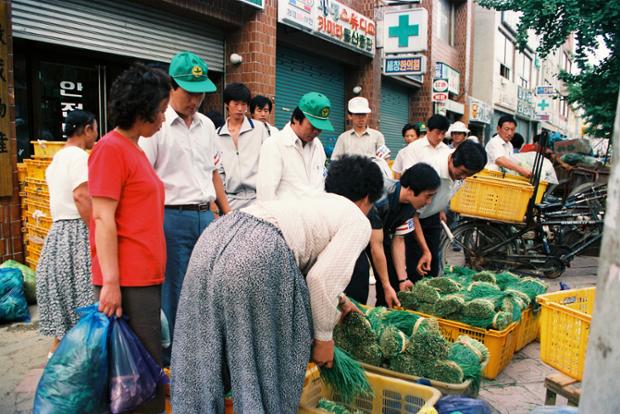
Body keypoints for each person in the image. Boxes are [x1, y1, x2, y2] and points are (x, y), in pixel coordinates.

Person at [171, 155, 384, 414]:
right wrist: (324, 340)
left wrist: (340, 302)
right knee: (264, 370)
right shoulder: (358, 219)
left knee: (204, 355)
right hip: (260, 251)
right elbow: (320, 281)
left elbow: (311, 263)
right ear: (367, 199)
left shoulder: (311, 198)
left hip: (216, 238)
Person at [138, 51, 231, 365]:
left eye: (201, 93)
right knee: (175, 287)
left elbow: (213, 172)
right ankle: (174, 357)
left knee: (207, 285)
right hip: (170, 219)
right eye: (190, 93)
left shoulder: (206, 125)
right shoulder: (157, 126)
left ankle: (202, 348)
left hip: (205, 215)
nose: (195, 100)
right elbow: (144, 178)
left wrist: (227, 214)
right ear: (171, 88)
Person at [89, 64, 170, 412]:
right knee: (137, 377)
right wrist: (110, 284)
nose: (164, 120)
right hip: (128, 282)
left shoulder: (134, 149)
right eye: (161, 111)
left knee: (141, 371)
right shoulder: (110, 149)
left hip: (144, 278)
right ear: (142, 111)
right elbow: (102, 218)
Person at [36, 110, 97, 358]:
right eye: (94, 128)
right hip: (76, 233)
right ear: (85, 129)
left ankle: (56, 366)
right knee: (83, 308)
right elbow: (81, 195)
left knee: (65, 316)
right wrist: (96, 229)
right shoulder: (78, 157)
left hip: (58, 234)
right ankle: (71, 371)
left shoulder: (57, 158)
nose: (96, 134)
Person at [405, 140, 488, 281]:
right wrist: (425, 250)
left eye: (468, 175)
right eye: (462, 172)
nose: (463, 177)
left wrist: (440, 209)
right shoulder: (432, 171)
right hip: (411, 219)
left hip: (431, 216)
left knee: (432, 268)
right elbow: (412, 214)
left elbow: (446, 192)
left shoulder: (460, 173)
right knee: (417, 269)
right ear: (453, 159)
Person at [366, 163, 441, 307]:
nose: (429, 202)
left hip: (380, 236)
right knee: (360, 280)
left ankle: (383, 316)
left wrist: (403, 279)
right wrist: (386, 285)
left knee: (393, 282)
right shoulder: (380, 198)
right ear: (411, 190)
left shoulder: (410, 207)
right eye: (428, 196)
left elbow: (399, 240)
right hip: (359, 235)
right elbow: (376, 248)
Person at [256, 92, 330, 201]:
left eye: (320, 127)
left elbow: (321, 184)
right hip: (286, 217)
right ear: (296, 118)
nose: (316, 131)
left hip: (316, 215)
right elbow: (266, 196)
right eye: (313, 126)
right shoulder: (274, 145)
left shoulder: (318, 145)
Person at [215, 83, 269, 209]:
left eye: (244, 104)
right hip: (230, 201)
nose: (240, 108)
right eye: (236, 103)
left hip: (257, 199)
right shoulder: (216, 135)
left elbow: (269, 161)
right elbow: (218, 171)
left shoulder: (259, 128)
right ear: (227, 104)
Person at [392, 115, 452, 179]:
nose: (440, 137)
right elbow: (408, 174)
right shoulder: (413, 148)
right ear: (428, 130)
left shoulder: (447, 150)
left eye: (443, 133)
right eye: (437, 133)